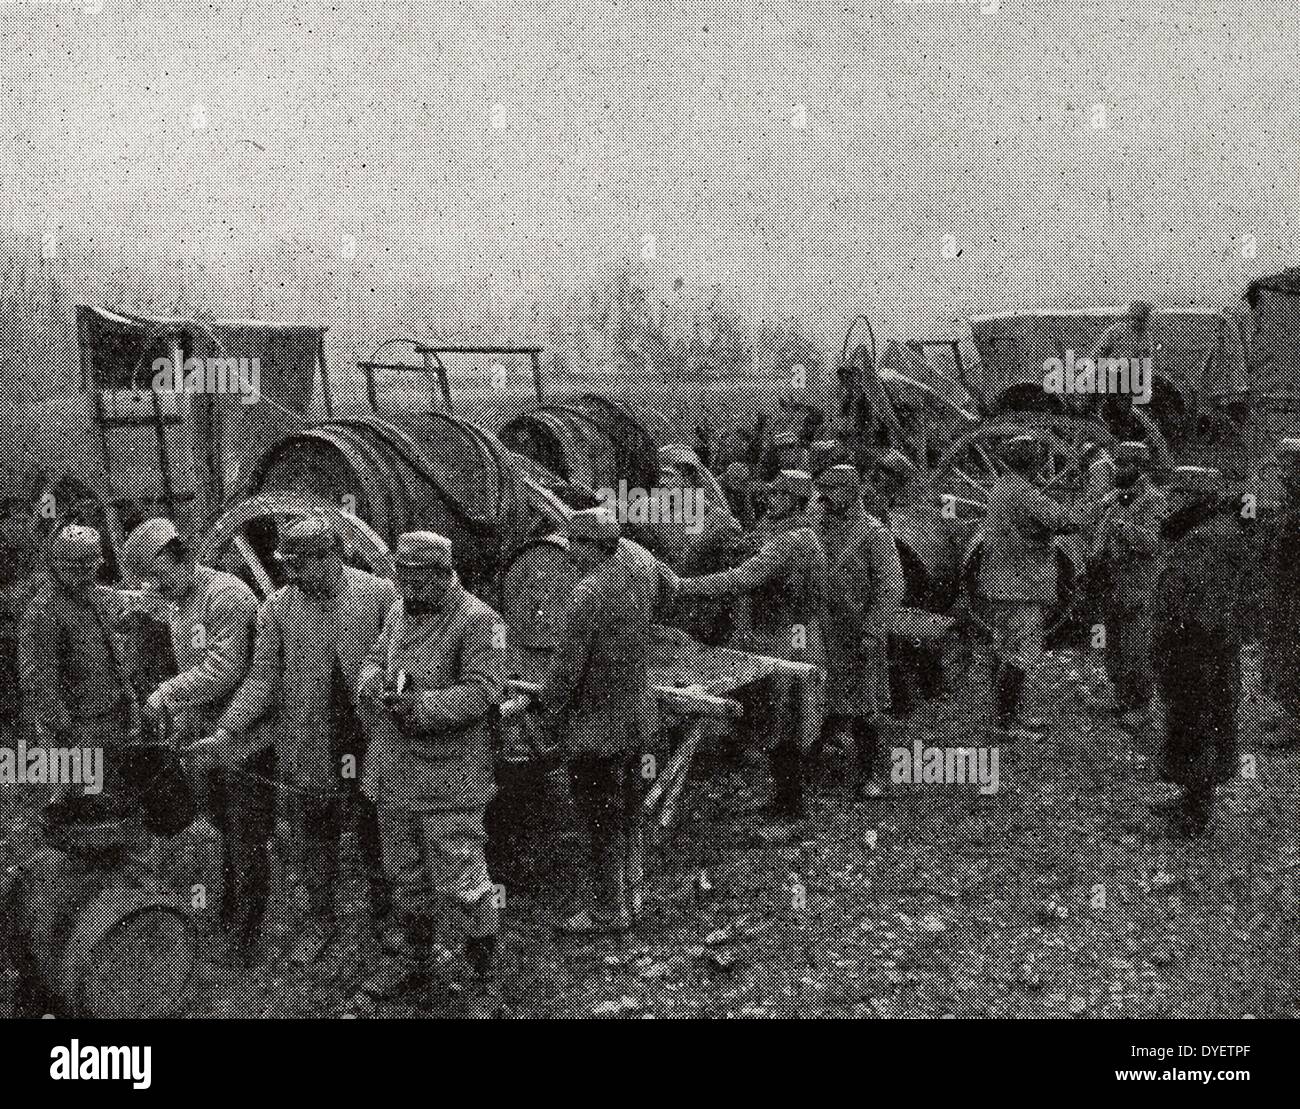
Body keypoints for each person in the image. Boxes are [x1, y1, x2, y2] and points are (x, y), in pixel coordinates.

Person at [206, 516, 398, 955]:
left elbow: (397, 664)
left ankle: (386, 921)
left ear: (331, 557)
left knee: (378, 829)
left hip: (371, 739)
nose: (291, 574)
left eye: (300, 564)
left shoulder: (379, 596)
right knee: (314, 833)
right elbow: (261, 681)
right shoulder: (278, 606)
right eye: (286, 565)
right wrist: (226, 732)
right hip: (309, 739)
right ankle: (322, 921)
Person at [356, 532, 507, 1015]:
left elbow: (481, 692)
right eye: (399, 576)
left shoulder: (480, 622)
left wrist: (417, 708)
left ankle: (484, 976)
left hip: (450, 780)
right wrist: (372, 685)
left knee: (463, 882)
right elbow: (377, 664)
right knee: (406, 878)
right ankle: (414, 961)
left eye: (411, 578)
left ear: (439, 575)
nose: (400, 586)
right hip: (393, 773)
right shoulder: (398, 614)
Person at [122, 517, 271, 962]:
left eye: (156, 571)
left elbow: (226, 670)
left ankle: (245, 934)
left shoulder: (225, 596)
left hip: (245, 734)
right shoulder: (174, 594)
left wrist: (167, 693)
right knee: (218, 827)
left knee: (244, 833)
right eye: (146, 576)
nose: (153, 584)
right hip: (206, 737)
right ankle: (223, 912)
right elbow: (131, 602)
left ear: (179, 556)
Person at [540, 508, 681, 936]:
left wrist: (547, 709)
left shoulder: (585, 596)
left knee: (597, 819)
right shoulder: (638, 561)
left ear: (593, 547)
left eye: (575, 547)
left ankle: (605, 911)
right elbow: (671, 590)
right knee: (629, 807)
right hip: (638, 715)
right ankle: (631, 892)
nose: (568, 556)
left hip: (595, 727)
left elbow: (567, 673)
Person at [678, 481, 828, 823]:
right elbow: (749, 549)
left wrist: (683, 586)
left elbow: (742, 579)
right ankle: (784, 800)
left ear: (795, 502)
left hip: (790, 638)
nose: (770, 499)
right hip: (788, 633)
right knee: (778, 721)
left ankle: (793, 813)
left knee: (787, 722)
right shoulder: (784, 532)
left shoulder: (793, 541)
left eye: (779, 495)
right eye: (771, 493)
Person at [1151, 468, 1248, 836]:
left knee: (1199, 719)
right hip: (1203, 642)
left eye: (1178, 495)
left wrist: (1179, 637)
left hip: (1199, 645)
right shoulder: (1211, 529)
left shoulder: (1211, 537)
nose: (1170, 503)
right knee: (1194, 718)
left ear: (1196, 498)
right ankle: (1191, 798)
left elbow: (1196, 597)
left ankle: (1195, 814)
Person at [18, 524, 139, 817]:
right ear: (58, 567)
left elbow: (130, 604)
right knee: (79, 809)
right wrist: (66, 731)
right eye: (75, 570)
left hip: (111, 717)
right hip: (73, 730)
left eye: (90, 568)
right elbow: (38, 683)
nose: (85, 577)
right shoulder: (43, 613)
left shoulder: (97, 595)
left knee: (111, 802)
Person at [980, 436, 1083, 741]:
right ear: (1033, 463)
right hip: (1022, 585)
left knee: (1007, 651)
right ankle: (1006, 724)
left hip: (1000, 582)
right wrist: (1096, 503)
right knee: (1019, 656)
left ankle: (1011, 716)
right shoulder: (1025, 494)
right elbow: (1067, 522)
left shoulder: (1003, 487)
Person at [812, 464, 905, 798]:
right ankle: (820, 768)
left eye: (833, 490)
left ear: (852, 492)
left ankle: (871, 775)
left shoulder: (874, 534)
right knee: (825, 699)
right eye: (822, 490)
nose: (825, 497)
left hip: (860, 632)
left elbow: (891, 586)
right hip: (824, 630)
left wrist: (872, 629)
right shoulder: (815, 529)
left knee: (867, 706)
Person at [1089, 443, 1166, 731]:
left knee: (1136, 647)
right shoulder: (1113, 498)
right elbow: (1098, 534)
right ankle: (1120, 695)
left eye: (1126, 465)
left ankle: (1141, 706)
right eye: (1117, 464)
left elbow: (1153, 542)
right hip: (1112, 581)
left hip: (1138, 584)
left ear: (1140, 468)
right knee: (1113, 644)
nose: (1119, 470)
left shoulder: (1153, 500)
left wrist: (1123, 527)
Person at [1262, 438, 1300, 749]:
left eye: (1289, 467)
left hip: (1294, 592)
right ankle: (1290, 714)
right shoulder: (1291, 503)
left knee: (1292, 652)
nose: (1284, 475)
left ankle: (1295, 721)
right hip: (1284, 588)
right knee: (1281, 648)